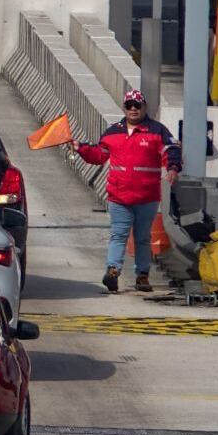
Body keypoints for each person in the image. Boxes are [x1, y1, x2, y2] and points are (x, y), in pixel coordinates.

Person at [71, 89, 180, 292]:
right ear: (124, 108)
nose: (133, 109)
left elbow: (171, 149)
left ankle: (142, 275)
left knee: (142, 237)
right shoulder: (113, 132)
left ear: (144, 107)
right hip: (119, 196)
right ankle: (113, 271)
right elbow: (98, 154)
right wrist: (80, 148)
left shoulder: (157, 131)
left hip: (147, 197)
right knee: (118, 235)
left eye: (137, 105)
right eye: (129, 105)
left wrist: (173, 168)